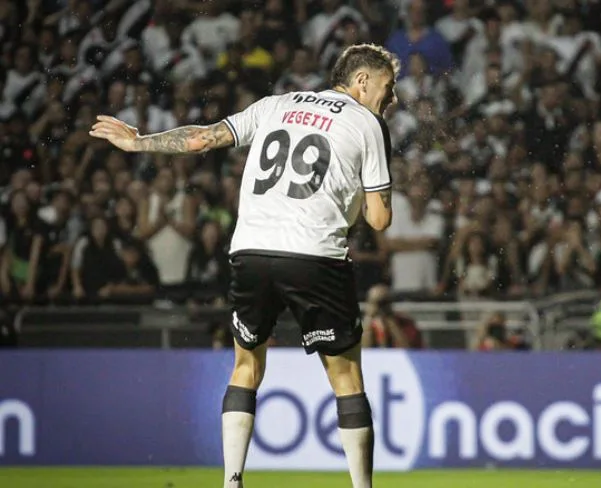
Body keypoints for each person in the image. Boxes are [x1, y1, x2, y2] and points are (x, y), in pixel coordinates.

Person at [89, 43, 399, 488]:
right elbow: (380, 219)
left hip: (251, 250)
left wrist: (139, 142)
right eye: (387, 89)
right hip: (315, 254)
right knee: (346, 376)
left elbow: (201, 139)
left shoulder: (277, 104)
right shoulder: (367, 123)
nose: (390, 101)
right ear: (362, 81)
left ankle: (232, 481)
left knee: (246, 367)